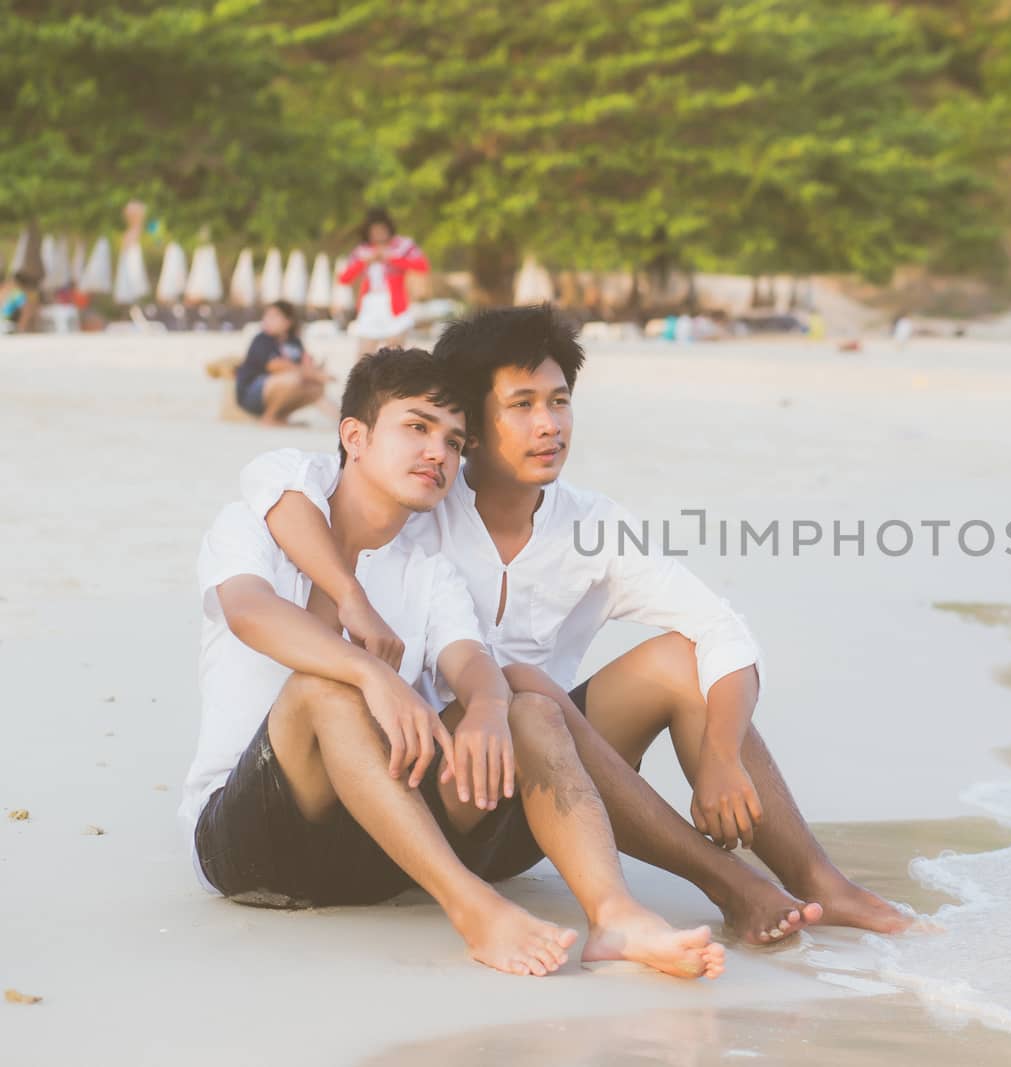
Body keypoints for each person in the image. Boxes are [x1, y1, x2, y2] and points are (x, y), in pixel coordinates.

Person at [239, 305, 913, 944]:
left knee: (673, 664)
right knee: (523, 686)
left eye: (560, 401)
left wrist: (721, 753)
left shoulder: (593, 527)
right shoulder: (420, 501)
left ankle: (819, 879)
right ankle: (726, 882)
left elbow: (723, 628)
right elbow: (290, 484)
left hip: (552, 786)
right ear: (469, 422)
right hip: (436, 782)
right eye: (523, 405)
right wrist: (351, 597)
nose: (549, 425)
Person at [185, 347, 724, 979]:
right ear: (354, 436)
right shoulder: (254, 524)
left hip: (382, 845)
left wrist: (492, 707)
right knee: (321, 688)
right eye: (417, 427)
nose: (438, 453)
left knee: (532, 710)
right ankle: (476, 912)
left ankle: (616, 916)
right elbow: (248, 611)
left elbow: (467, 657)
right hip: (251, 845)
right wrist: (372, 673)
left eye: (453, 440)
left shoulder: (427, 568)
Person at [339, 207, 428, 357]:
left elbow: (422, 266)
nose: (378, 234)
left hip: (395, 305)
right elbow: (344, 278)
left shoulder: (402, 245)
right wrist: (365, 263)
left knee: (394, 354)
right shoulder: (362, 251)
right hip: (371, 303)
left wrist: (392, 259)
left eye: (381, 230)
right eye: (374, 231)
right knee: (364, 355)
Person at [234, 300, 334, 426]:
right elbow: (275, 366)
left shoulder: (294, 342)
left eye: (274, 316)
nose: (267, 320)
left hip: (279, 388)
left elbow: (304, 364)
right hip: (251, 392)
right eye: (266, 316)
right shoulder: (261, 339)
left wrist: (314, 370)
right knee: (293, 379)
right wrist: (311, 373)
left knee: (315, 387)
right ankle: (269, 418)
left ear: (288, 322)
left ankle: (340, 422)